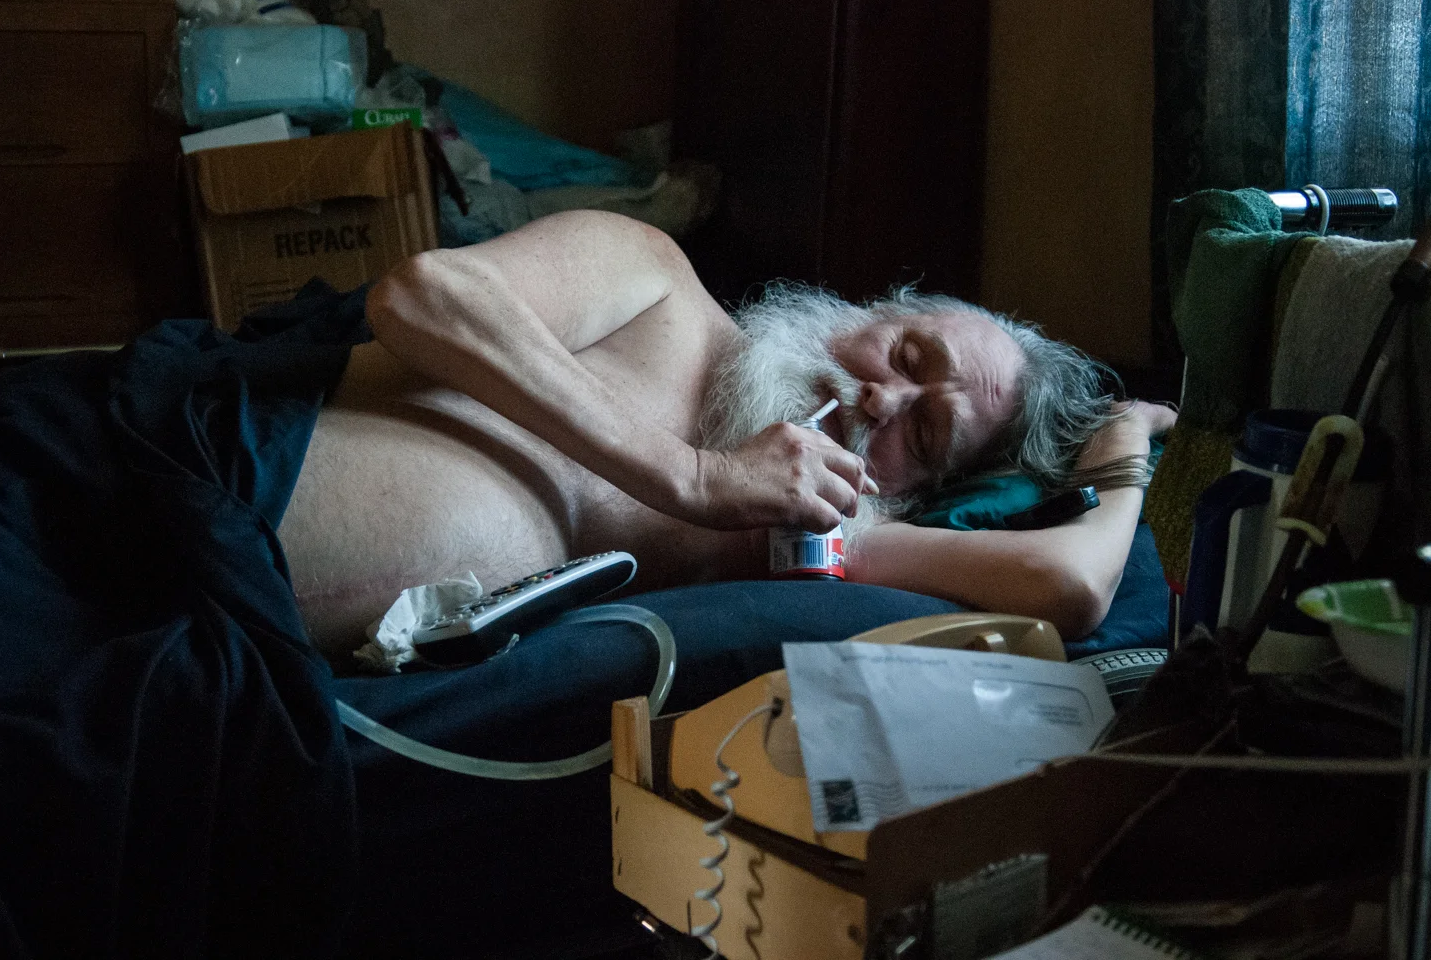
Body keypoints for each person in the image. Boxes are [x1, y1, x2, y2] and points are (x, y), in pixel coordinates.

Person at [279, 209, 1174, 653]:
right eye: (904, 353)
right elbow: (422, 296)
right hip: (215, 486)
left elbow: (1069, 587)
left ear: (915, 489)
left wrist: (1123, 444)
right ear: (870, 307)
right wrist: (696, 476)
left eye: (927, 433)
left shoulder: (818, 533)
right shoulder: (656, 280)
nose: (882, 401)